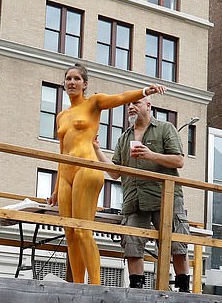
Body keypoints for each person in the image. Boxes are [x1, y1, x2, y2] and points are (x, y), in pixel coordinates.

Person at [49, 63, 167, 285]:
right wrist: (55, 188)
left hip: (86, 168)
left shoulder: (93, 103)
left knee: (83, 230)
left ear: (85, 84)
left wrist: (144, 91)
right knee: (70, 233)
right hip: (65, 172)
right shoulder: (61, 116)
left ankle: (95, 285)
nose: (72, 82)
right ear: (64, 84)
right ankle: (77, 284)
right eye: (68, 79)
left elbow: (120, 97)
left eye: (76, 79)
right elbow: (61, 151)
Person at [93, 92, 190, 291]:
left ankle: (184, 289)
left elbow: (179, 160)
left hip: (164, 197)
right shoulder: (124, 138)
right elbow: (114, 173)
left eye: (136, 103)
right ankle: (137, 289)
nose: (131, 107)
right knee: (132, 244)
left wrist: (151, 155)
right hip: (134, 200)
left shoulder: (165, 128)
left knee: (177, 243)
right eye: (129, 104)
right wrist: (97, 150)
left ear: (148, 105)